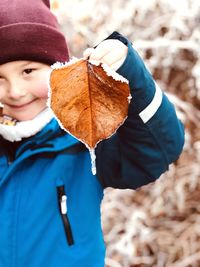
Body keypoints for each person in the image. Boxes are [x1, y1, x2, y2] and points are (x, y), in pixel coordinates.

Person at [0, 0, 184, 266]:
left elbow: (159, 151)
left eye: (28, 71)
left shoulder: (85, 135)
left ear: (59, 70)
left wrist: (128, 73)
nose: (15, 91)